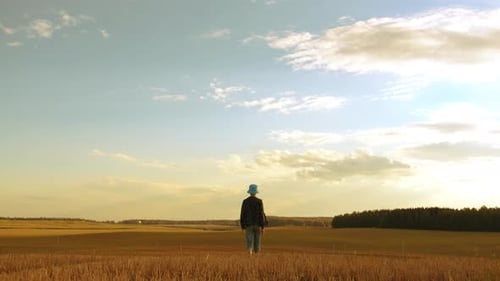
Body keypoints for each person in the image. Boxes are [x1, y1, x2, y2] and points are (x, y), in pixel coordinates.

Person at [240, 184, 267, 255]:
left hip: (248, 225)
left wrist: (242, 226)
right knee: (257, 242)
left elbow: (242, 214)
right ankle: (256, 259)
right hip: (258, 224)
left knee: (249, 242)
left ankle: (250, 255)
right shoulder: (259, 201)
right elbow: (261, 214)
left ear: (249, 192)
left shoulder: (245, 201)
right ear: (256, 192)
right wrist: (263, 226)